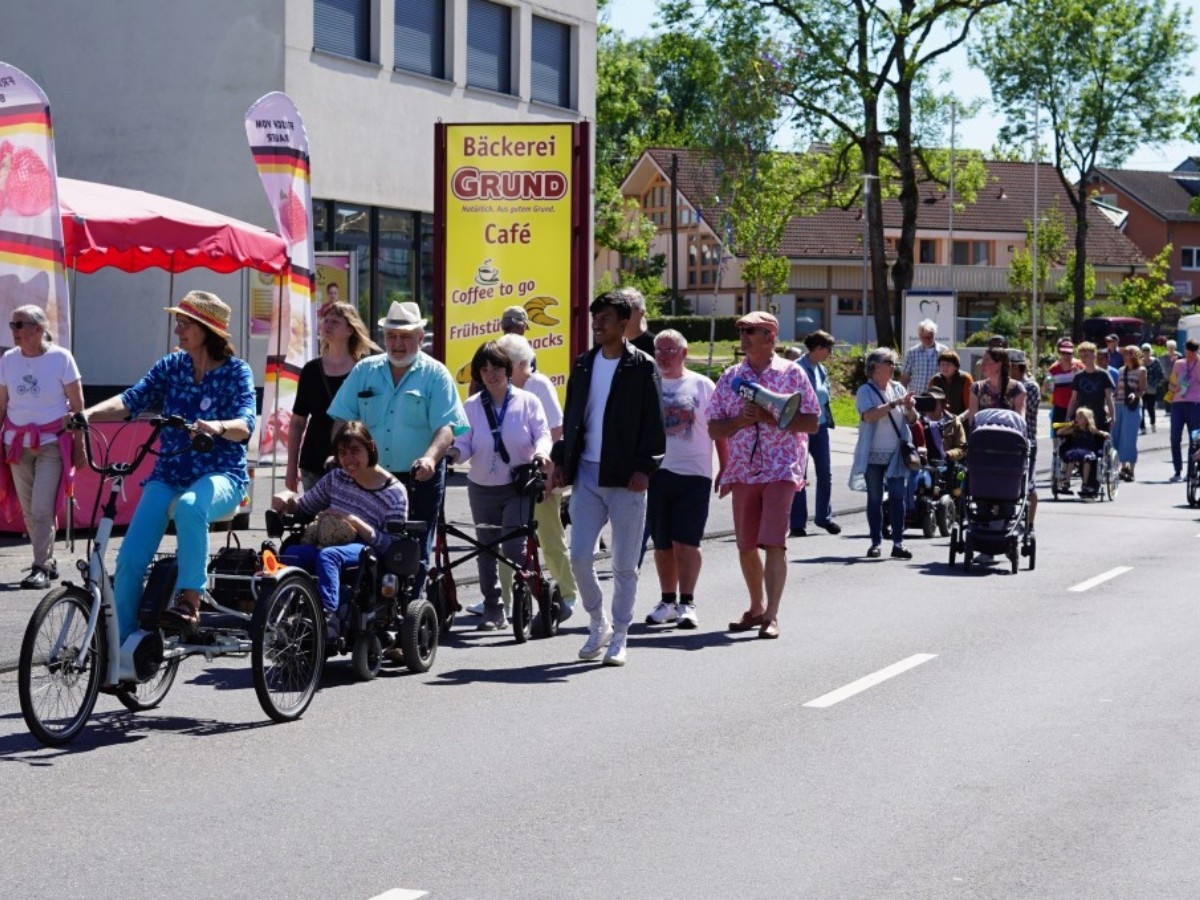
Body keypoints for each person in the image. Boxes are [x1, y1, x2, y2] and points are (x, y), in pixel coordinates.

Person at [82, 291, 255, 644]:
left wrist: (218, 426)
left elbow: (246, 424)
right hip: (169, 474)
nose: (178, 330)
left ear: (207, 330)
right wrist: (88, 414)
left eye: (185, 323)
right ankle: (125, 647)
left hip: (222, 475)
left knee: (191, 506)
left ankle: (190, 601)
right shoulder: (172, 367)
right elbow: (132, 399)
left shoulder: (237, 372)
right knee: (130, 560)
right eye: (178, 322)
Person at [549, 290, 665, 667]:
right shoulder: (584, 364)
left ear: (624, 323)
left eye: (605, 319)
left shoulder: (642, 366)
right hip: (586, 472)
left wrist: (645, 468)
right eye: (594, 319)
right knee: (580, 556)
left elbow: (655, 424)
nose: (597, 325)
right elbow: (573, 417)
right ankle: (598, 622)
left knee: (625, 564)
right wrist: (562, 460)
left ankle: (621, 634)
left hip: (627, 477)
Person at [328, 300, 468, 593]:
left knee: (413, 552)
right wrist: (340, 453)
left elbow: (446, 428)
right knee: (363, 544)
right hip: (370, 477)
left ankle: (412, 609)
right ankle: (369, 609)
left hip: (419, 478)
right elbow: (342, 418)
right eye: (392, 336)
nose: (398, 343)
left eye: (405, 336)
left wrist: (430, 459)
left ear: (421, 338)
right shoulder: (365, 370)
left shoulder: (436, 374)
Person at [709, 311, 819, 639]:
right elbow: (713, 427)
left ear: (770, 336)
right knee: (745, 546)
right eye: (741, 330)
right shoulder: (731, 377)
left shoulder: (792, 373)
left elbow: (812, 422)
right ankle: (755, 607)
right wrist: (740, 421)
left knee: (774, 542)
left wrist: (770, 417)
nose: (743, 336)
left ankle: (772, 615)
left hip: (781, 468)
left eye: (750, 331)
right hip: (743, 469)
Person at [447, 342, 551, 631]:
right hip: (481, 486)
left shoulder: (528, 401)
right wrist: (453, 454)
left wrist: (541, 452)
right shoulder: (471, 406)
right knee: (485, 548)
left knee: (514, 547)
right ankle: (493, 608)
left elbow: (543, 434)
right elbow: (464, 443)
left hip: (517, 486)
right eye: (484, 370)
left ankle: (539, 595)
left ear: (507, 369)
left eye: (496, 368)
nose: (491, 374)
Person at [278, 421, 409, 642]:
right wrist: (287, 501)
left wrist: (355, 522)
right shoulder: (337, 477)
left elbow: (392, 546)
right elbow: (304, 506)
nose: (348, 459)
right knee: (292, 553)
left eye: (355, 451)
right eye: (342, 453)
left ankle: (329, 619)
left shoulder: (394, 492)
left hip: (366, 547)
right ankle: (281, 614)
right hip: (329, 539)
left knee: (329, 556)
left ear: (370, 447)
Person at [643, 330, 727, 630]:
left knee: (686, 542)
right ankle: (667, 601)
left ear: (684, 353)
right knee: (662, 544)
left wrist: (725, 467)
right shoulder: (647, 383)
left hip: (694, 474)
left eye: (670, 350)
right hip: (655, 474)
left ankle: (687, 603)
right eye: (659, 350)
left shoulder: (702, 385)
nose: (663, 356)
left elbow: (719, 430)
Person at [0, 305, 85, 588]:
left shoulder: (61, 358)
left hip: (51, 443)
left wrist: (80, 446)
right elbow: (2, 403)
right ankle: (47, 558)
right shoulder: (8, 360)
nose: (14, 331)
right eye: (12, 325)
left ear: (38, 329)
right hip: (16, 444)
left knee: (40, 508)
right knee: (30, 510)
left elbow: (78, 406)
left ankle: (41, 567)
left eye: (19, 325)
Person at [495, 333, 576, 620]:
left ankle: (567, 594)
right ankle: (503, 600)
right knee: (507, 540)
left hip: (536, 476)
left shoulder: (538, 384)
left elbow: (556, 430)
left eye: (503, 362)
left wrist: (548, 474)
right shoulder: (503, 390)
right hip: (508, 478)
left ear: (519, 364)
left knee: (550, 537)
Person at [286, 301, 379, 493]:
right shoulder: (311, 370)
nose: (327, 325)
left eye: (335, 322)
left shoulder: (365, 370)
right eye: (325, 320)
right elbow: (297, 421)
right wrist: (291, 466)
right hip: (314, 461)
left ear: (350, 330)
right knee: (317, 512)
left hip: (355, 463)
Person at [849, 347, 916, 560]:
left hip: (896, 452)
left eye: (894, 363)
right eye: (889, 363)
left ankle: (898, 543)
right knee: (875, 499)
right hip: (872, 453)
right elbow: (869, 415)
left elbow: (912, 420)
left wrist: (910, 407)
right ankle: (875, 543)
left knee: (897, 497)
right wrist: (895, 403)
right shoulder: (865, 391)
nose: (893, 367)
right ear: (875, 367)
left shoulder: (898, 387)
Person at [789, 329, 839, 537]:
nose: (830, 353)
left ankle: (823, 518)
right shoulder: (796, 368)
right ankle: (797, 522)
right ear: (818, 348)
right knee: (800, 474)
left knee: (825, 473)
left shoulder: (821, 369)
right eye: (829, 349)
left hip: (820, 426)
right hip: (801, 426)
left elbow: (824, 395)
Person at [1008, 350, 1041, 529]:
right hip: (1006, 441)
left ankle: (1029, 524)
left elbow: (1024, 412)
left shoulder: (1031, 387)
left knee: (1028, 484)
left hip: (1026, 441)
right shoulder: (1004, 385)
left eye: (1009, 367)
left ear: (1017, 367)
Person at [1066, 341, 1116, 440]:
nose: (1083, 358)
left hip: (1099, 417)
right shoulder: (1078, 377)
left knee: (1100, 444)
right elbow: (1073, 399)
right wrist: (1068, 416)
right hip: (1082, 419)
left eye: (1086, 355)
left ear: (1094, 355)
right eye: (1081, 356)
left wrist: (1112, 416)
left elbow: (1109, 397)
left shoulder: (1103, 375)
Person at [1166, 338, 1200, 483]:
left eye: (1193, 352)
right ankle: (1177, 470)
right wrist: (1175, 388)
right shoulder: (1179, 364)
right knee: (1175, 438)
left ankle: (1191, 471)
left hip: (1195, 404)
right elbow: (1171, 384)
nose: (1190, 355)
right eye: (1188, 352)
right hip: (1178, 404)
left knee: (1195, 439)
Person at [1057, 408, 1108, 499]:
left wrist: (1105, 433)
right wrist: (1068, 425)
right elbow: (1059, 432)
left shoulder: (1091, 429)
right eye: (1077, 417)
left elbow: (1099, 432)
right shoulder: (1074, 430)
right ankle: (1066, 482)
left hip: (1087, 450)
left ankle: (1084, 484)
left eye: (1080, 417)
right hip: (1076, 449)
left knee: (1087, 459)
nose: (1077, 419)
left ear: (1086, 420)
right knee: (1071, 457)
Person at [1113, 345, 1146, 481]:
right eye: (1125, 353)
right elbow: (1117, 388)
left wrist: (1135, 395)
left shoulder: (1141, 370)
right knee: (1117, 435)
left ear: (1136, 355)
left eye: (1129, 353)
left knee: (1129, 437)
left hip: (1132, 406)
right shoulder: (1121, 370)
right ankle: (1123, 467)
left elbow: (1142, 390)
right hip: (1118, 404)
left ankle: (1131, 469)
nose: (1126, 356)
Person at [968, 347, 1026, 422]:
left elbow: (1020, 419)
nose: (982, 364)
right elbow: (972, 419)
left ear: (999, 364)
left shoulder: (1017, 388)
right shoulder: (977, 388)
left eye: (986, 360)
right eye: (982, 360)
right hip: (983, 429)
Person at [1044, 338, 1083, 429]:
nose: (1066, 356)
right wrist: (1046, 386)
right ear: (1060, 353)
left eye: (1069, 353)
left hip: (1077, 408)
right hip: (1059, 409)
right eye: (1064, 353)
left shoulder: (1080, 366)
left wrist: (1079, 374)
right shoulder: (1053, 370)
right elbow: (1048, 389)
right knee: (1058, 435)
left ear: (1073, 353)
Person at [900, 319, 946, 391]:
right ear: (919, 336)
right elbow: (905, 376)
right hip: (916, 395)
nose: (927, 340)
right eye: (924, 337)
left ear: (934, 335)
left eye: (929, 337)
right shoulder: (912, 352)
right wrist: (902, 393)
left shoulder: (944, 352)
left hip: (936, 395)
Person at [927, 350, 972, 416]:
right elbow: (931, 405)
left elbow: (970, 407)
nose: (945, 367)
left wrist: (959, 418)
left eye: (948, 364)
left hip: (962, 418)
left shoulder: (965, 379)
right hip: (941, 419)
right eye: (942, 364)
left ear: (956, 367)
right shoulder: (934, 380)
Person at [617, 286, 656, 356]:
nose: (622, 315)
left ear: (642, 312)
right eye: (618, 310)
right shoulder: (610, 346)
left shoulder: (656, 345)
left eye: (627, 309)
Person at [1141, 342, 1163, 434]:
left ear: (1150, 351)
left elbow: (1161, 375)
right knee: (1141, 408)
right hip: (1141, 389)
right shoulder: (1140, 362)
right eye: (1144, 350)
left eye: (1148, 350)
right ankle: (1142, 427)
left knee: (1150, 407)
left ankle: (1153, 424)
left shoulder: (1156, 362)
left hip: (1151, 389)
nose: (1146, 352)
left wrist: (1155, 384)